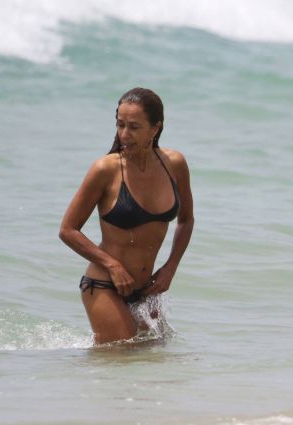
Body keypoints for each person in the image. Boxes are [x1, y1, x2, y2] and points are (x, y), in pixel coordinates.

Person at [59, 87, 194, 344]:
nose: (124, 134)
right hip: (105, 285)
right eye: (120, 125)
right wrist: (113, 265)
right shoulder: (105, 169)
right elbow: (68, 230)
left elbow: (186, 220)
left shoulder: (174, 164)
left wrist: (171, 267)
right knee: (121, 360)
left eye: (134, 127)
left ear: (155, 128)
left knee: (152, 366)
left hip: (147, 290)